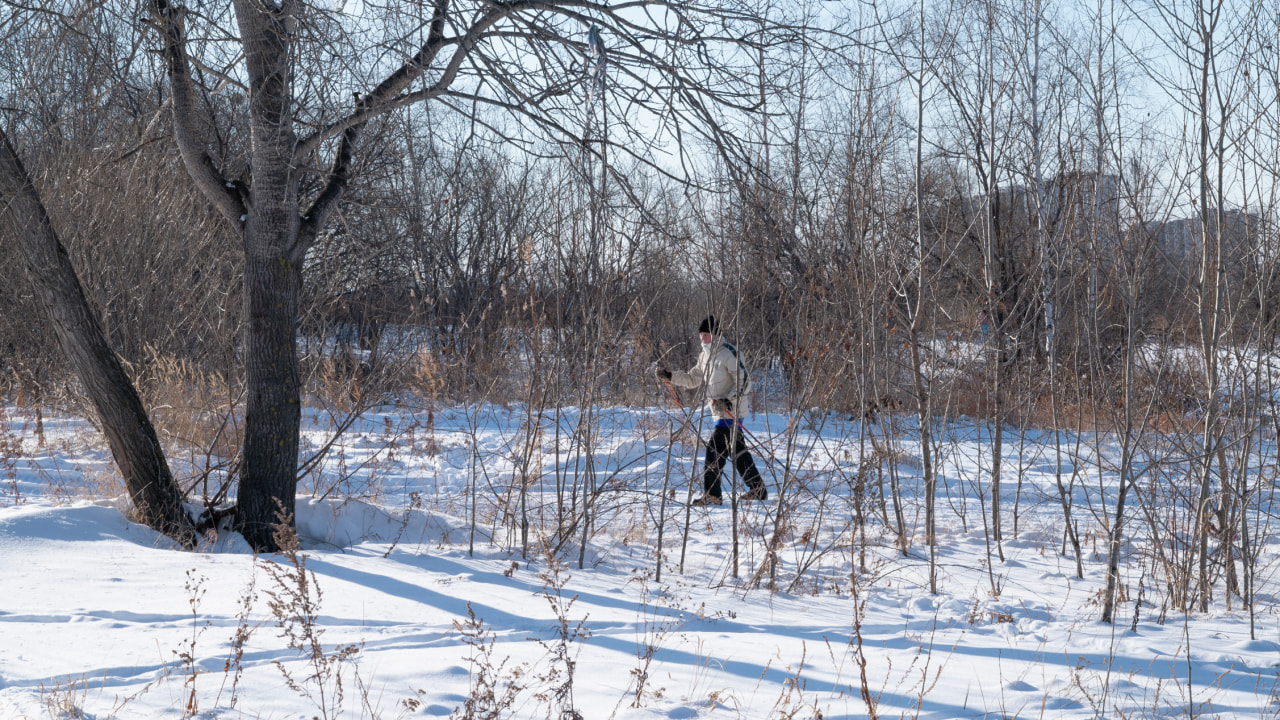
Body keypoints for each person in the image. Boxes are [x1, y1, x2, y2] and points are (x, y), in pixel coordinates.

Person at [657, 315, 768, 506]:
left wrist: (728, 401)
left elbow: (745, 381)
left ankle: (713, 495)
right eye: (701, 334)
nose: (702, 338)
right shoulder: (705, 356)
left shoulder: (729, 353)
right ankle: (757, 489)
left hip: (731, 411)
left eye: (706, 334)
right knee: (737, 451)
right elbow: (693, 379)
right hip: (719, 412)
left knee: (714, 451)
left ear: (716, 335)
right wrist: (671, 376)